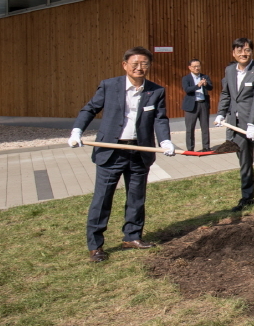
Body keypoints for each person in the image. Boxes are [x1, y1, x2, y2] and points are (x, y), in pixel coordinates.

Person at [69, 47, 175, 262]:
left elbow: (160, 119)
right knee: (102, 198)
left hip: (139, 151)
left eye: (144, 63)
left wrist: (164, 140)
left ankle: (132, 236)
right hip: (111, 151)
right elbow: (90, 109)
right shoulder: (110, 86)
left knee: (136, 197)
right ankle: (96, 246)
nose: (139, 67)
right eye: (134, 63)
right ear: (125, 65)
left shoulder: (155, 91)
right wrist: (77, 130)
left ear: (149, 66)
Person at [215, 38, 254, 214]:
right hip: (237, 126)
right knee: (244, 162)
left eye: (247, 50)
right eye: (240, 50)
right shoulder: (229, 71)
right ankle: (247, 196)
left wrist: (252, 123)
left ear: (252, 52)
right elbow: (226, 93)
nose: (244, 53)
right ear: (233, 53)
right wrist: (221, 113)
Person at [181, 59, 213, 151]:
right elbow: (187, 89)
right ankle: (190, 149)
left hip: (203, 104)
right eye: (194, 66)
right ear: (190, 67)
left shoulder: (204, 76)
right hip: (192, 105)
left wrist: (206, 84)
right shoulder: (186, 78)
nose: (197, 68)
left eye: (198, 66)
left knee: (205, 127)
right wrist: (197, 86)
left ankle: (206, 147)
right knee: (190, 128)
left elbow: (211, 87)